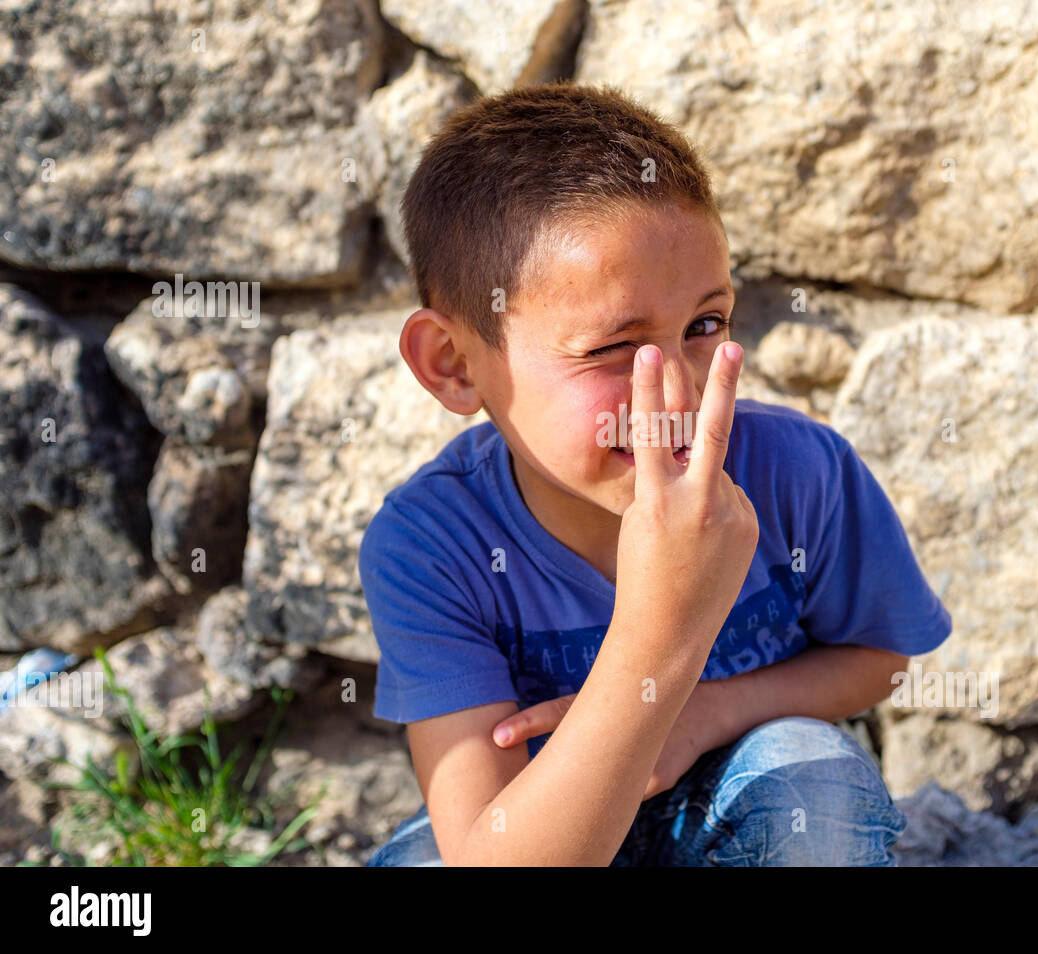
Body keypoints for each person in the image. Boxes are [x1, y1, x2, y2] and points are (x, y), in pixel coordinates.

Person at [359, 82, 951, 866]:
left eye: (705, 325)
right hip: (547, 828)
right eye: (611, 348)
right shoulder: (431, 544)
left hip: (743, 813)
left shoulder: (799, 474)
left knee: (818, 776)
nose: (678, 389)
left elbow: (882, 657)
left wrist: (703, 713)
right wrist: (659, 629)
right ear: (453, 364)